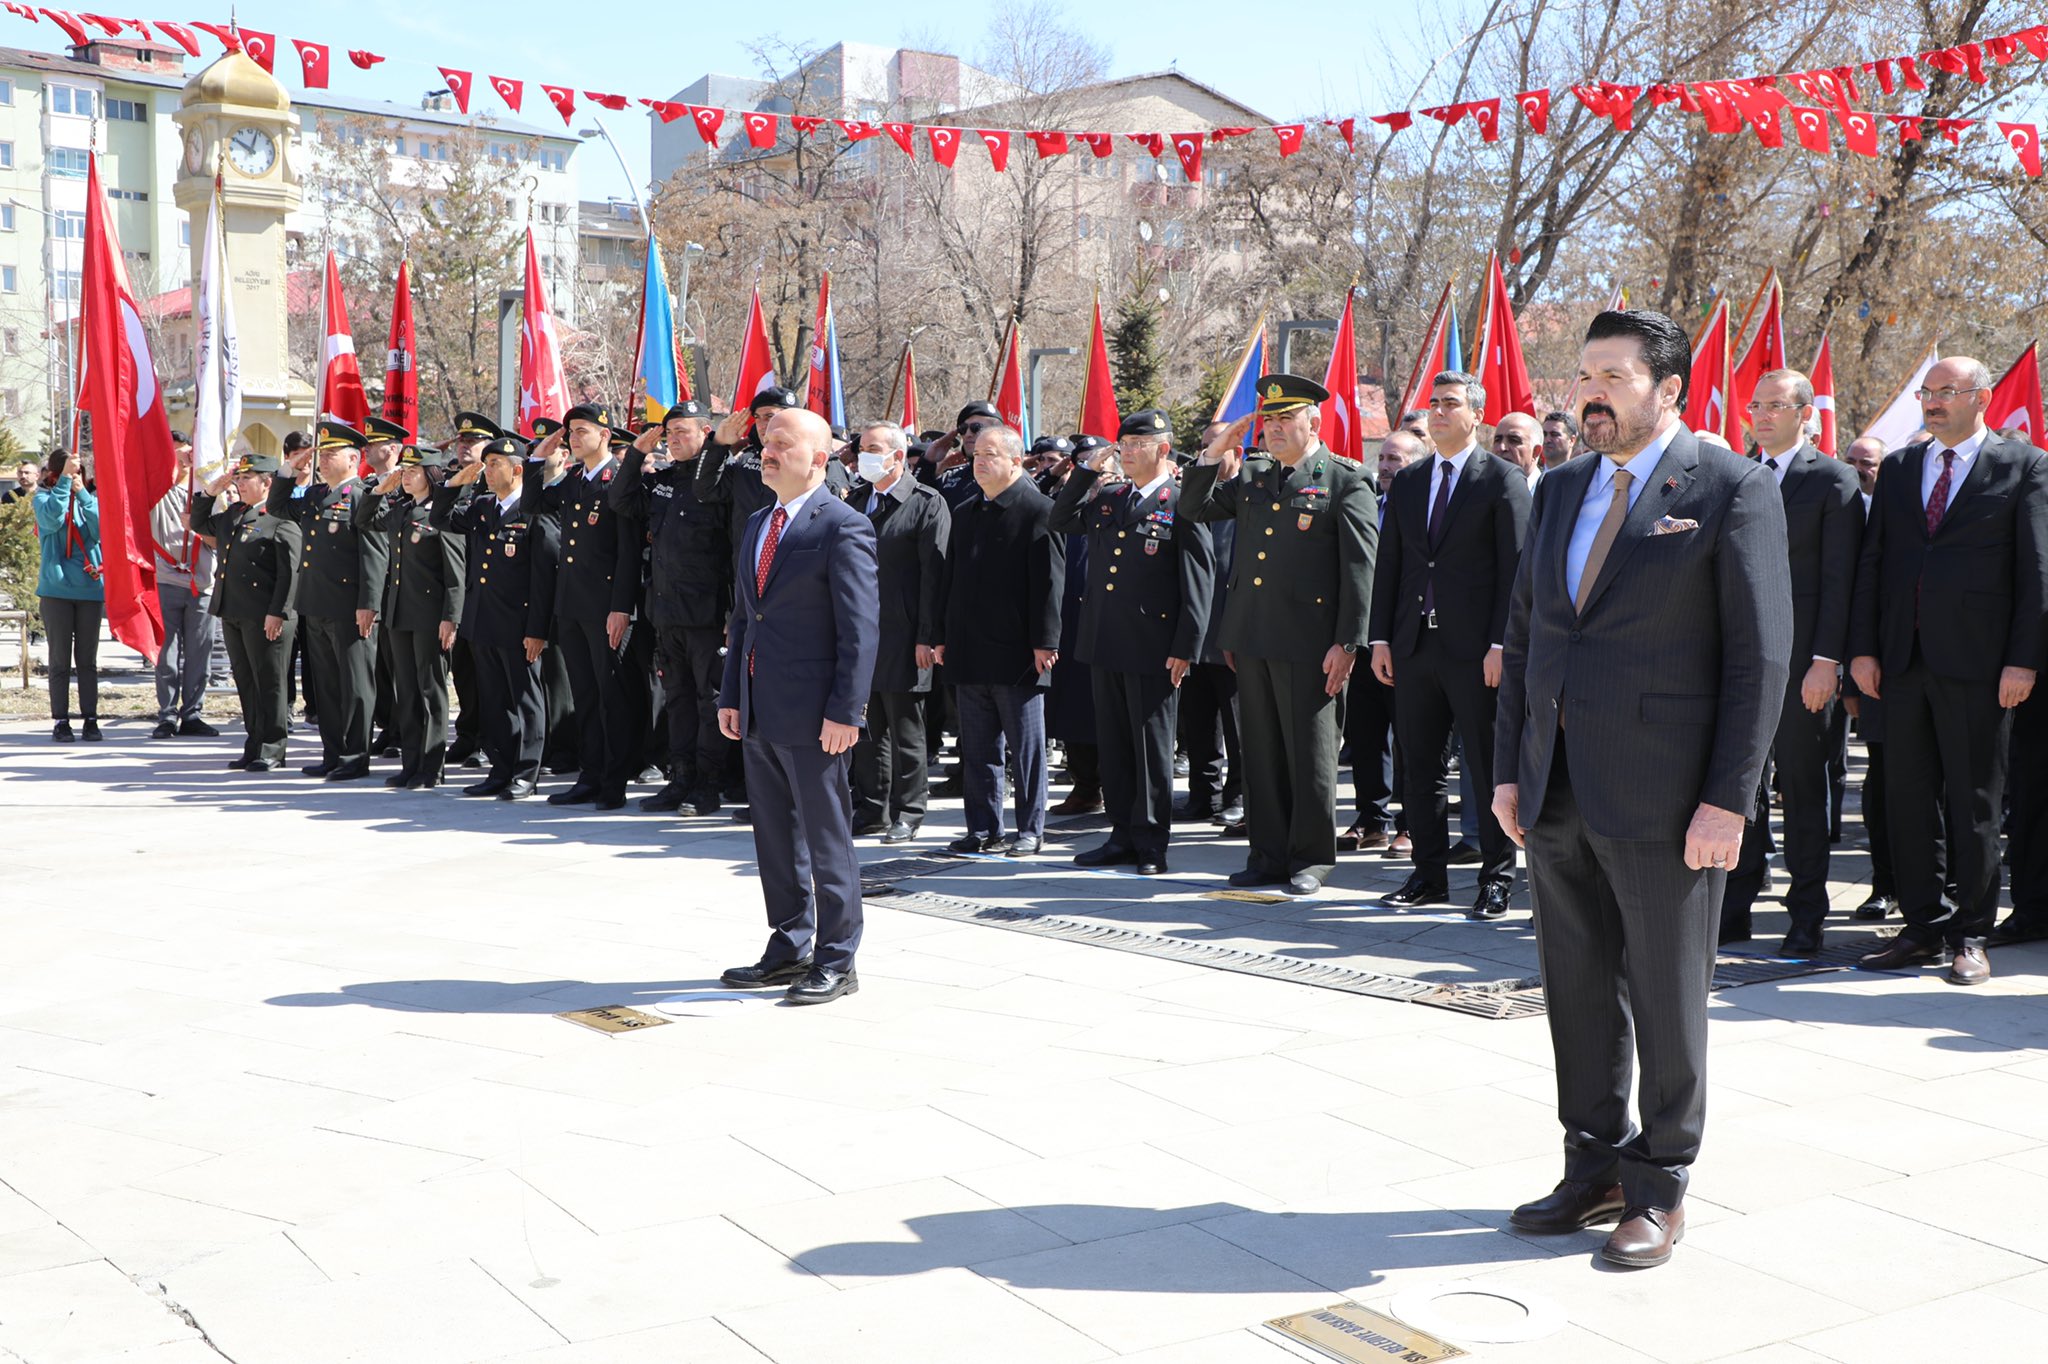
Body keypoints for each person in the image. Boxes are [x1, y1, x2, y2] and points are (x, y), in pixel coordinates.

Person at [1494, 308, 1790, 1269]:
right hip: (1558, 789)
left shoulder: (1730, 486)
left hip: (1668, 798)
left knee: (1666, 995)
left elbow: (1760, 657)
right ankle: (1593, 1165)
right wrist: (1509, 771)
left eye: (1613, 376)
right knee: (1576, 990)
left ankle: (1659, 1184)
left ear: (1668, 389)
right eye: (1584, 375)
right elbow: (1531, 637)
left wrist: (1729, 798)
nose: (1590, 393)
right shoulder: (1562, 487)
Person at [1850, 358, 2048, 986]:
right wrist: (1863, 650)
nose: (1931, 403)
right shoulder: (1904, 466)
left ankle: (1971, 934)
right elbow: (1873, 562)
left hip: (1981, 667)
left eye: (1944, 393)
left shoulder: (2025, 466)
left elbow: (2036, 574)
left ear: (1981, 398)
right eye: (1926, 393)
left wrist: (2023, 659)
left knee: (1975, 803)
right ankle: (1921, 927)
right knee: (1908, 802)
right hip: (1901, 664)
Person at [1183, 376, 1377, 895]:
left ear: (1313, 422)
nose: (1273, 429)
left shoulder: (1344, 479)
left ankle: (1312, 856)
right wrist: (1216, 450)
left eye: (1284, 419)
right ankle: (1267, 855)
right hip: (1252, 635)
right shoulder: (1253, 475)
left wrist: (1350, 643)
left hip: (1312, 642)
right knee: (1262, 753)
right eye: (1267, 420)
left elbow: (1361, 568)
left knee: (1310, 753)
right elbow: (1192, 509)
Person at [717, 408, 879, 1005]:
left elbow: (859, 630)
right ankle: (788, 945)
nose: (768, 450)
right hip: (760, 706)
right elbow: (743, 620)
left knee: (826, 837)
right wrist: (733, 695)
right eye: (765, 441)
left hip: (817, 714)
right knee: (775, 838)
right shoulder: (760, 522)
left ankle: (838, 958)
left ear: (819, 458)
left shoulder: (843, 525)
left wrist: (847, 711)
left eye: (783, 443)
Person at [1374, 372, 1531, 919]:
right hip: (1415, 646)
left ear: (1477, 416)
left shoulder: (1501, 480)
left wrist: (1500, 645)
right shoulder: (1412, 480)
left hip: (1476, 651)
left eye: (1451, 404)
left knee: (1487, 768)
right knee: (1420, 768)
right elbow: (1390, 564)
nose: (1438, 411)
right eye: (1434, 403)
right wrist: (1380, 639)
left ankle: (1496, 877)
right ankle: (1428, 875)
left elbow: (1516, 571)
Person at [1717, 370, 1862, 955]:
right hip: (1737, 663)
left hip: (1804, 664)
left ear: (1806, 414)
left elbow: (1840, 581)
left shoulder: (1832, 480)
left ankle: (1806, 913)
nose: (1763, 414)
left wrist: (1826, 662)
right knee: (1739, 787)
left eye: (1777, 405)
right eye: (1756, 405)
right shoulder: (1733, 475)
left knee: (1802, 790)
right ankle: (1736, 904)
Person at [1051, 409, 1214, 875]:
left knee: (1150, 749)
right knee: (1116, 745)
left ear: (1163, 448)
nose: (1126, 450)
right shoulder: (1110, 496)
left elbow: (1198, 581)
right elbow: (1060, 519)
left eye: (1137, 443)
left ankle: (1151, 843)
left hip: (1154, 645)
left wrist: (1185, 647)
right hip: (1105, 640)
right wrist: (1085, 471)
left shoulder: (1180, 502)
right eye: (1122, 442)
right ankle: (1120, 833)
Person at [932, 424, 1066, 855]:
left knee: (1026, 751)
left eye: (991, 455)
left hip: (1018, 654)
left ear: (1015, 460)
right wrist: (940, 635)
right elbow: (948, 581)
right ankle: (983, 827)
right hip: (970, 650)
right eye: (977, 455)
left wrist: (1045, 642)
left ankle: (1030, 828)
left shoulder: (1038, 510)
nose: (981, 462)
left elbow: (1050, 585)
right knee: (978, 748)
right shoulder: (966, 512)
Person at [613, 400, 733, 816]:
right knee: (677, 700)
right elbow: (622, 502)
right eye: (670, 432)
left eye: (684, 431)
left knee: (710, 702)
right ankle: (679, 779)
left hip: (707, 616)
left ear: (706, 433)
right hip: (665, 613)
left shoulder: (721, 481)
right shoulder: (663, 480)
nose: (675, 439)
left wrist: (731, 615)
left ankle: (709, 784)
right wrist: (635, 455)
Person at [526, 405, 646, 811]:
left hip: (607, 607)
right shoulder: (574, 478)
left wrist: (621, 608)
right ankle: (590, 774)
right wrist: (539, 458)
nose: (574, 438)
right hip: (573, 605)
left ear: (605, 435)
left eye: (581, 431)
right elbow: (534, 505)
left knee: (612, 695)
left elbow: (629, 552)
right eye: (570, 432)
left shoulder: (618, 479)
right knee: (586, 696)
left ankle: (614, 781)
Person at [435, 436, 558, 800]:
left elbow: (542, 578)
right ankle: (500, 768)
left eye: (495, 465)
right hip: (483, 621)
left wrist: (537, 629)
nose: (487, 472)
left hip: (519, 625)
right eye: (486, 464)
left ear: (517, 469)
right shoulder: (483, 506)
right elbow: (441, 517)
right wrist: (454, 483)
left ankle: (526, 773)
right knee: (493, 701)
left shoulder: (534, 511)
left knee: (526, 700)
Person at [270, 421, 390, 781]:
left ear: (354, 458)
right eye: (320, 453)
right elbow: (277, 505)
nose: (322, 460)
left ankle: (355, 756)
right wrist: (291, 467)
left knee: (355, 685)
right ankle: (333, 752)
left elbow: (374, 555)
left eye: (331, 453)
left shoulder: (362, 495)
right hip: (317, 603)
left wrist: (369, 603)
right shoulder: (316, 494)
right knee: (327, 687)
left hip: (351, 606)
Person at [849, 420, 950, 844]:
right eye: (862, 448)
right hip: (859, 635)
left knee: (906, 727)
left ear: (896, 454)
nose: (864, 456)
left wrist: (928, 636)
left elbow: (935, 576)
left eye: (874, 448)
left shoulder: (926, 502)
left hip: (906, 634)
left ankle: (908, 810)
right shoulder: (856, 501)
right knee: (867, 729)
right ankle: (871, 807)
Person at [361, 442, 465, 789]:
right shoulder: (402, 511)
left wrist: (451, 617)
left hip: (431, 615)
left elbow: (455, 573)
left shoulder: (441, 514)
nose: (406, 476)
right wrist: (378, 490)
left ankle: (432, 765)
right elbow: (363, 520)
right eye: (404, 470)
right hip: (400, 613)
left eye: (413, 471)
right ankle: (411, 762)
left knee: (430, 690)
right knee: (405, 690)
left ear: (431, 475)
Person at [192, 452, 301, 771]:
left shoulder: (279, 518)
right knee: (246, 680)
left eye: (245, 478)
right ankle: (254, 743)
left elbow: (290, 572)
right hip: (234, 609)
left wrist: (278, 612)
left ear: (267, 483)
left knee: (270, 681)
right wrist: (210, 493)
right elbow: (200, 523)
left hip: (266, 613)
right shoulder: (233, 515)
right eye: (237, 478)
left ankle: (273, 747)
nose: (239, 484)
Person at [1343, 429, 1423, 855]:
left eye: (1396, 459)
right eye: (1384, 458)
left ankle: (1410, 823)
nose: (1387, 466)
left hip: (1406, 641)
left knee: (1409, 736)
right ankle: (1371, 817)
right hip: (1365, 638)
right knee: (1366, 733)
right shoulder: (1369, 505)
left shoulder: (1422, 511)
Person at [1181, 420, 1244, 829]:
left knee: (1238, 727)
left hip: (1231, 634)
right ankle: (1203, 794)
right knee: (1197, 723)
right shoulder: (1194, 499)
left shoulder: (1246, 499)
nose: (1208, 453)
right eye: (1204, 446)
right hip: (1194, 633)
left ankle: (1238, 795)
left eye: (1216, 446)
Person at [150, 433, 220, 739]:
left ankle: (192, 713)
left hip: (201, 583)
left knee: (199, 654)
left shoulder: (209, 494)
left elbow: (220, 539)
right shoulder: (156, 492)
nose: (182, 459)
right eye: (175, 454)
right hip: (166, 581)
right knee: (166, 654)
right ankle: (167, 715)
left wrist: (201, 526)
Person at [32, 449, 103, 742]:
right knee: (60, 659)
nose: (75, 477)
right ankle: (61, 719)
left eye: (78, 472)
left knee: (87, 660)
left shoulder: (92, 500)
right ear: (55, 473)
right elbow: (51, 521)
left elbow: (101, 530)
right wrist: (63, 485)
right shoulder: (43, 498)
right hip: (56, 589)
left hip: (89, 588)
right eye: (68, 472)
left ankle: (90, 718)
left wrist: (83, 495)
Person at [1492, 411, 1546, 491]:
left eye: (1513, 440)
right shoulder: (1482, 490)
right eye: (1497, 440)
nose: (1502, 447)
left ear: (1535, 452)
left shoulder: (1550, 494)